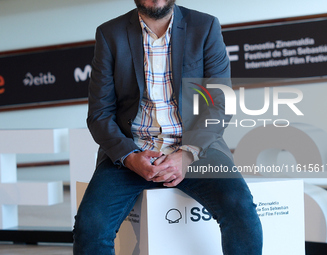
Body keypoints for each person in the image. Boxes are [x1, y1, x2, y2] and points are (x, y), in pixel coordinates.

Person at [73, 0, 263, 254]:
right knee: (89, 229)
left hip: (196, 151)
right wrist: (129, 157)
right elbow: (99, 114)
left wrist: (187, 154)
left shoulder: (205, 27)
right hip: (131, 152)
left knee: (241, 212)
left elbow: (220, 103)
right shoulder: (110, 34)